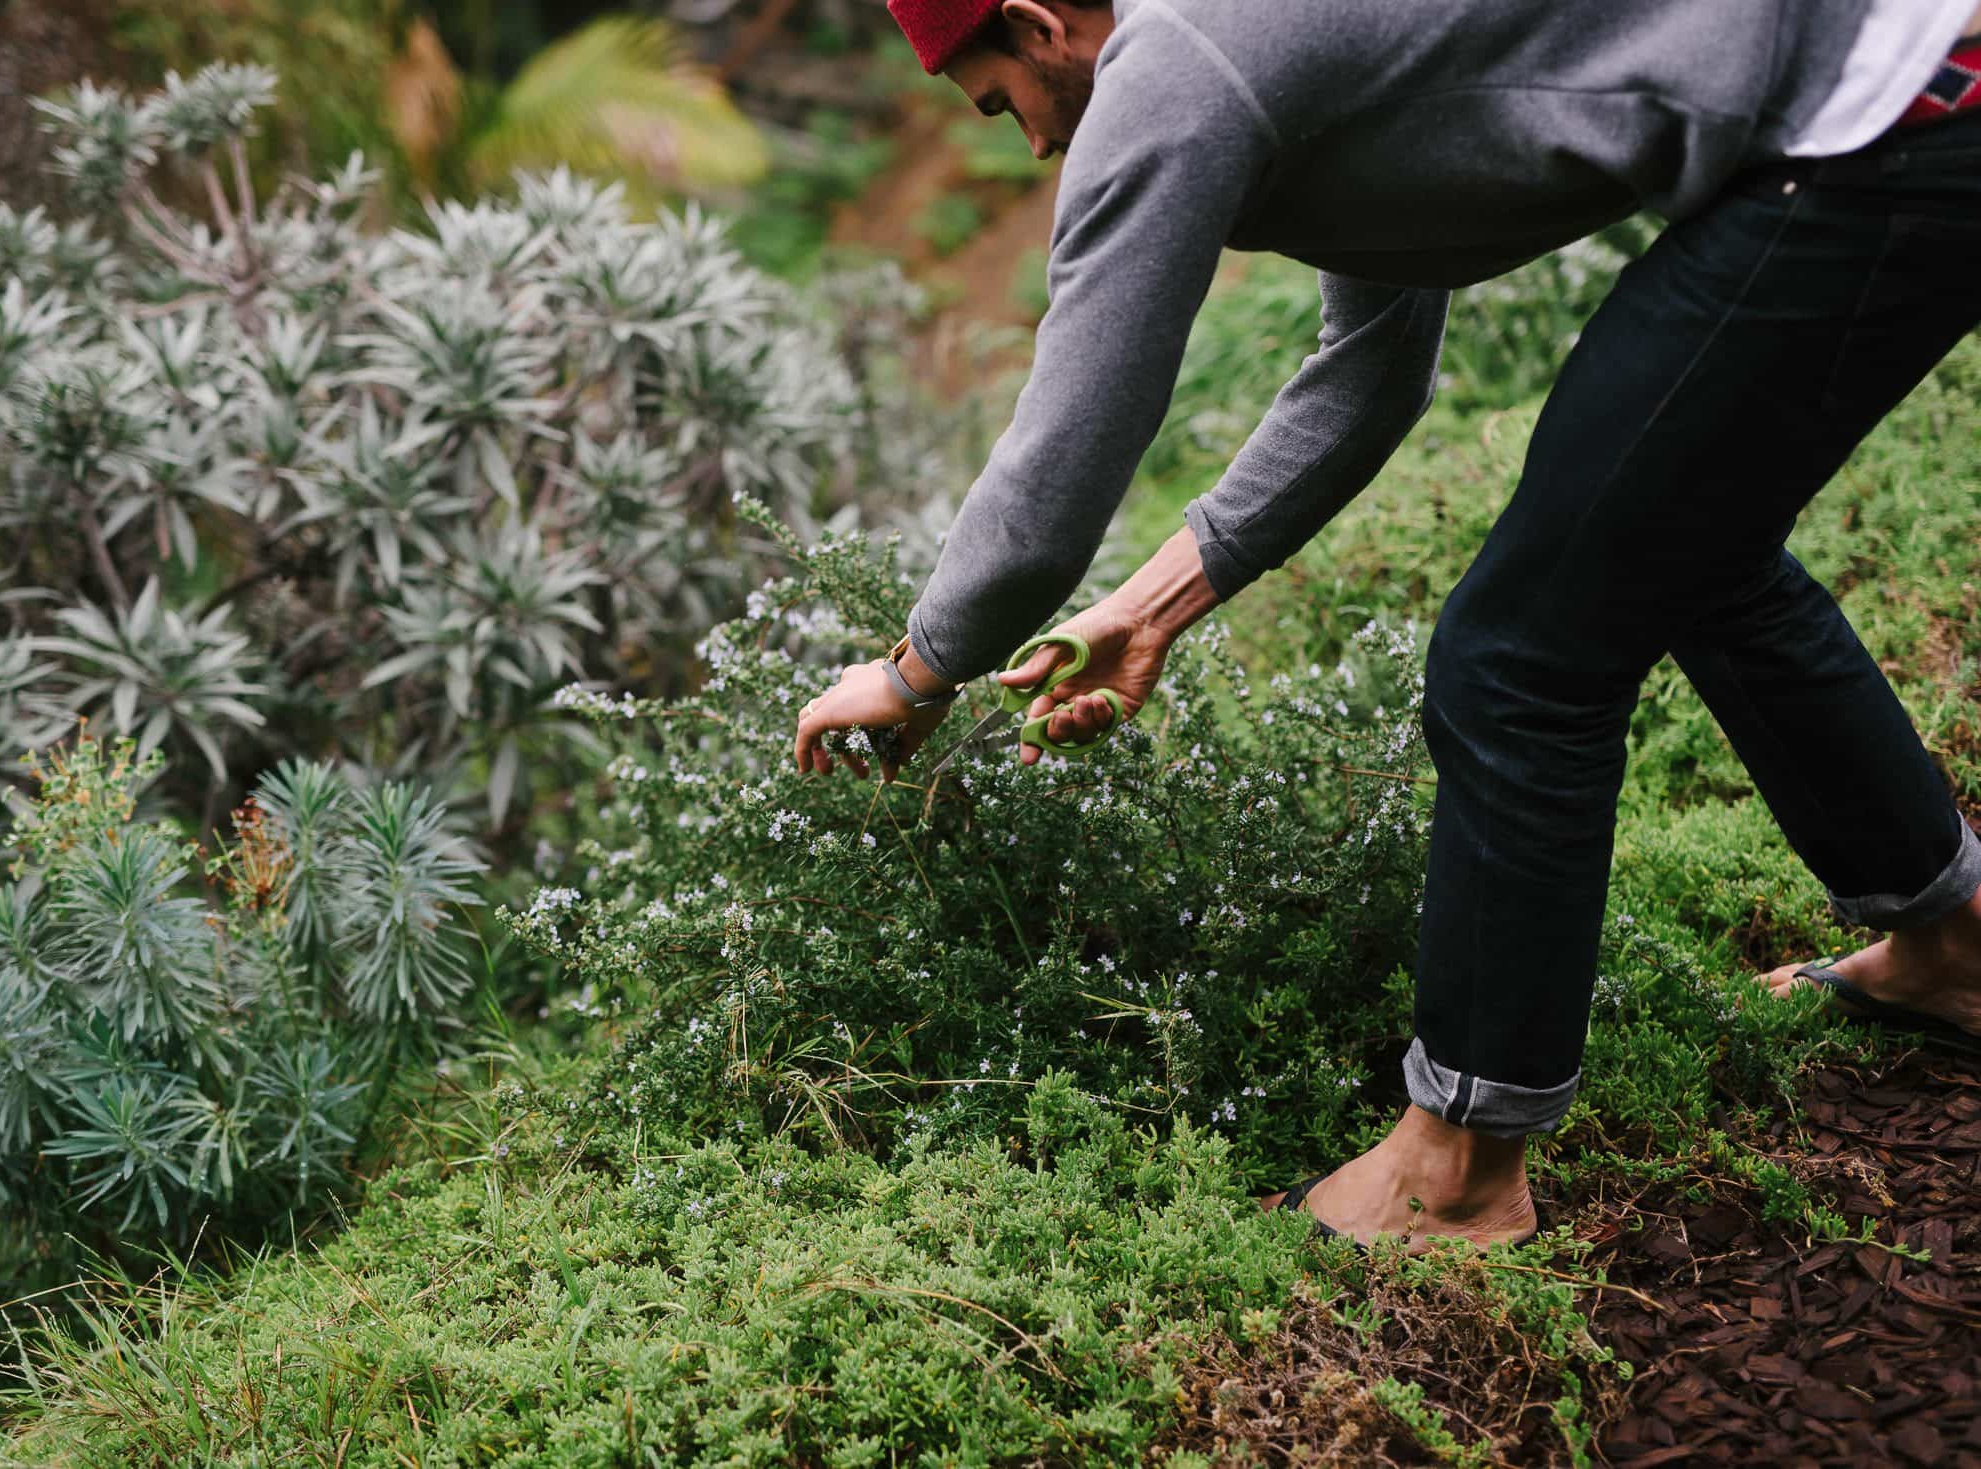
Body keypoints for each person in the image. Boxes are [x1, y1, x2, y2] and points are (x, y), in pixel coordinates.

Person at [789, 0, 1981, 1248]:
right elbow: (1372, 368)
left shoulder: (1173, 65)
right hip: (1902, 93)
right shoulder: (1256, 32)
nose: (1032, 146)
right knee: (1682, 543)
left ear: (1036, 24)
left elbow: (1065, 452)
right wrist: (1151, 611)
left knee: (1517, 658)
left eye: (1001, 102)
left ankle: (1456, 1172)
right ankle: (1951, 942)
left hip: (1886, 119)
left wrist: (917, 669)